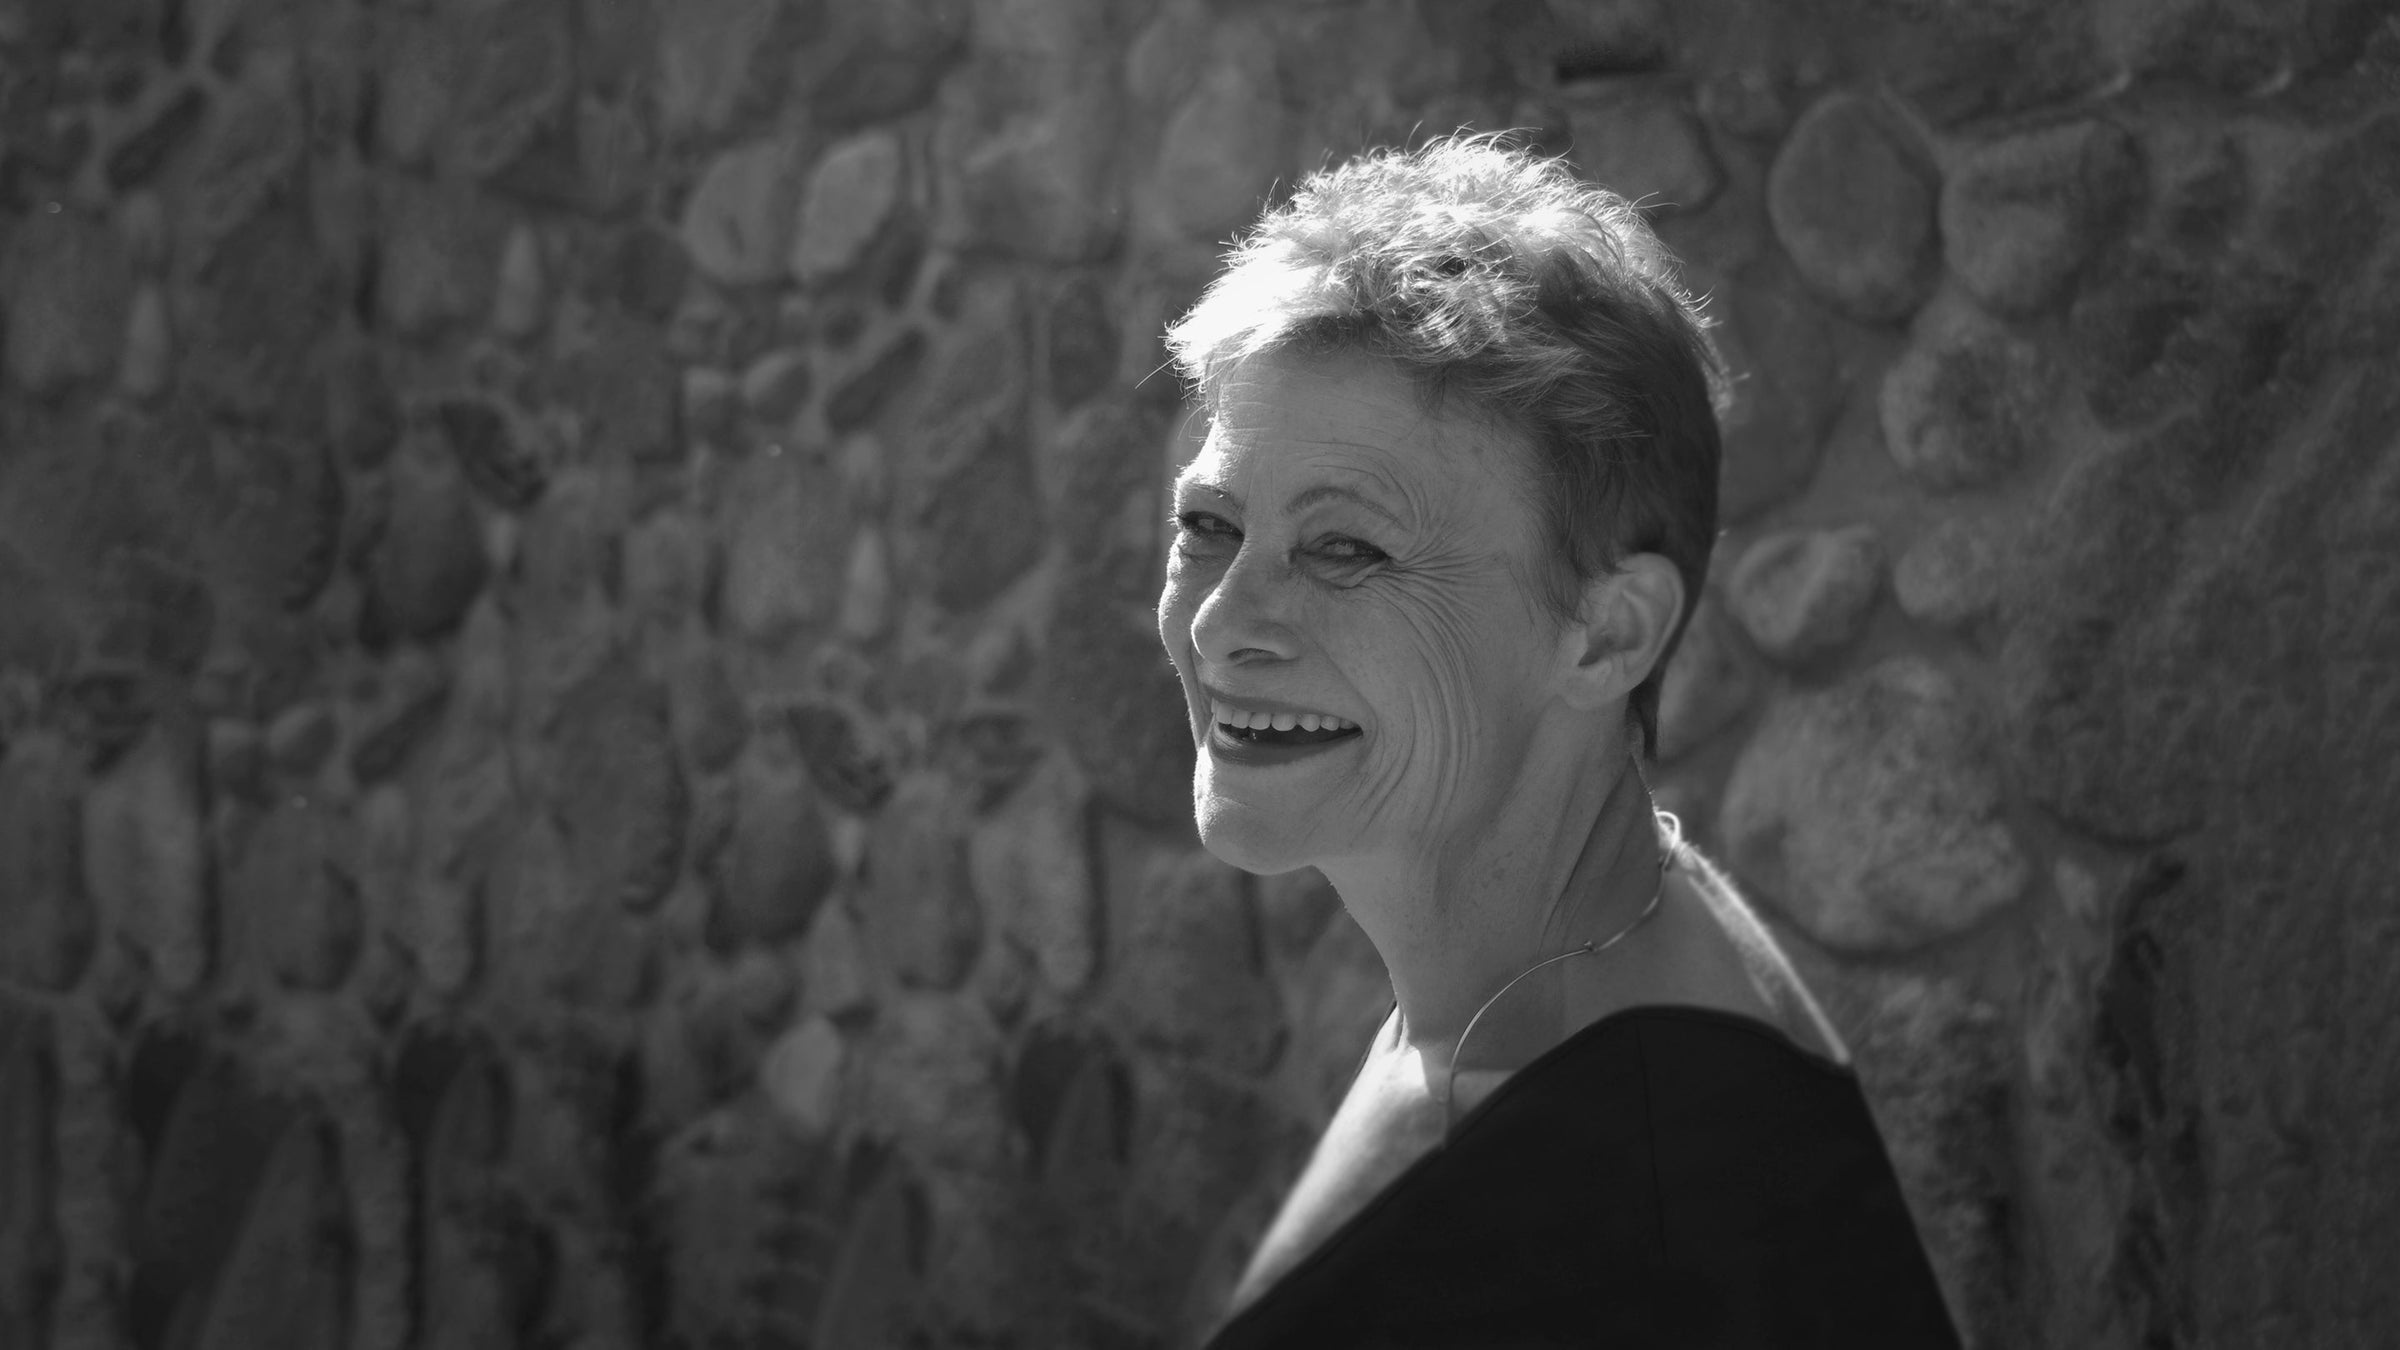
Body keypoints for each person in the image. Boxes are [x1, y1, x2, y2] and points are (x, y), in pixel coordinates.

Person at [1155, 135, 1962, 1348]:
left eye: (1345, 549)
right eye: (1210, 525)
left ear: (1607, 634)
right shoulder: (1539, 982)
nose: (1222, 626)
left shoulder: (1625, 1200)